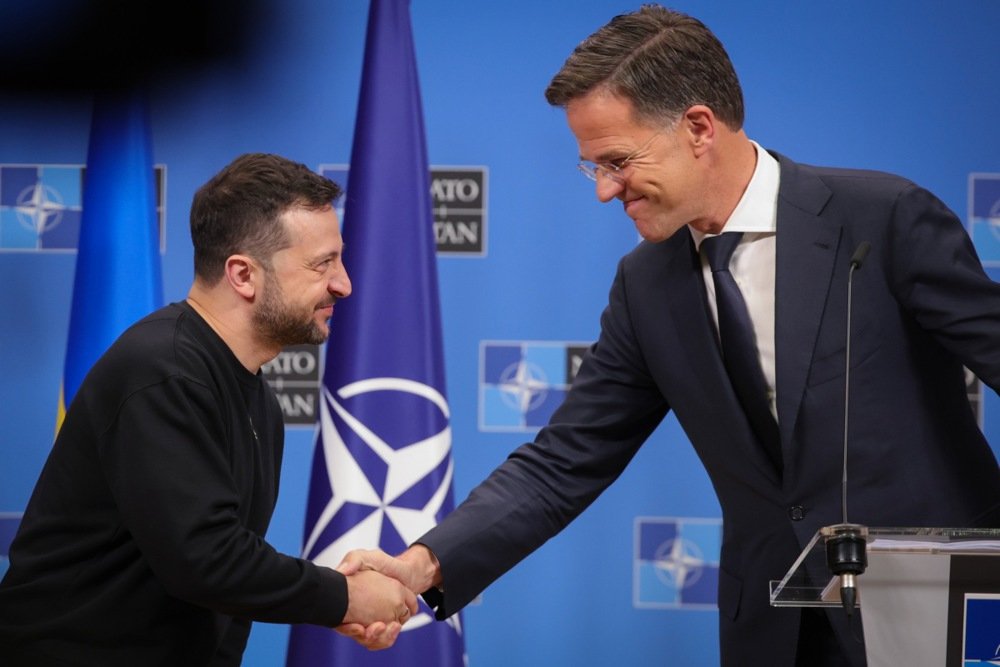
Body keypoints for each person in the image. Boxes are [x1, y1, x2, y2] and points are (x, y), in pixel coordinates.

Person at [338, 6, 1000, 666]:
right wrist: (421, 563)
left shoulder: (881, 221)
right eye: (592, 167)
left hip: (939, 617)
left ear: (699, 128)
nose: (603, 191)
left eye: (617, 161)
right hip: (774, 634)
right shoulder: (646, 286)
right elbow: (561, 463)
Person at [0, 153, 417, 666]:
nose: (344, 284)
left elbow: (221, 595)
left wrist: (343, 605)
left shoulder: (259, 400)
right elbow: (207, 560)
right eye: (321, 263)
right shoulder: (161, 371)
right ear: (243, 274)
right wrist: (346, 598)